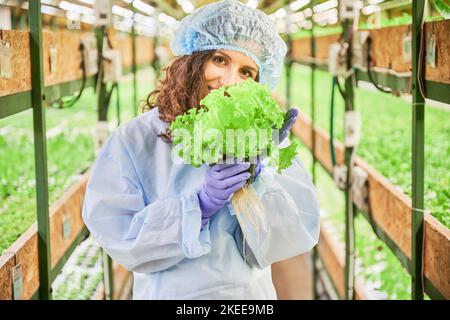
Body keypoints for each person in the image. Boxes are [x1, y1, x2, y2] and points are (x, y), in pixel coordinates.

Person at [82, 0, 320, 300]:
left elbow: (292, 237)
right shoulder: (136, 138)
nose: (229, 81)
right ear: (192, 60)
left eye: (246, 72)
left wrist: (261, 182)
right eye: (220, 60)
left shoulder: (261, 139)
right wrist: (199, 207)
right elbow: (122, 239)